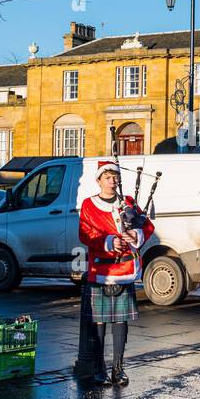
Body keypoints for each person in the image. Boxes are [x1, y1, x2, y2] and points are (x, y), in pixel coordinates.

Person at [79, 160, 154, 386]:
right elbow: (84, 234)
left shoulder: (127, 202)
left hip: (125, 270)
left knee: (120, 321)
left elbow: (147, 226)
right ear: (99, 180)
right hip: (102, 269)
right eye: (107, 177)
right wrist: (109, 241)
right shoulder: (89, 205)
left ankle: (118, 369)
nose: (112, 181)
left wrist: (136, 236)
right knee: (100, 323)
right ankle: (100, 369)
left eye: (114, 177)